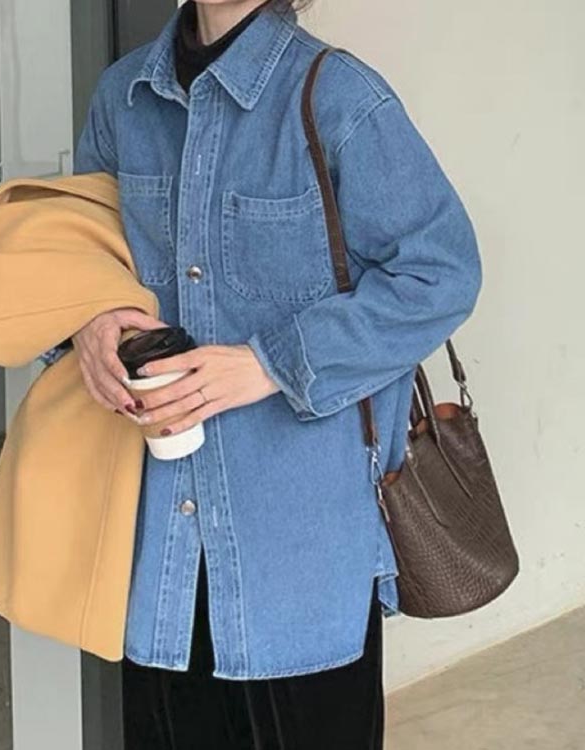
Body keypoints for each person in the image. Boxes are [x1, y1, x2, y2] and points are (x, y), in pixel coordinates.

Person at [39, 0, 482, 747]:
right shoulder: (124, 98)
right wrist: (85, 326)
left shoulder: (339, 98)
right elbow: (81, 255)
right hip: (160, 549)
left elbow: (440, 275)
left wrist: (269, 364)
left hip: (299, 552)